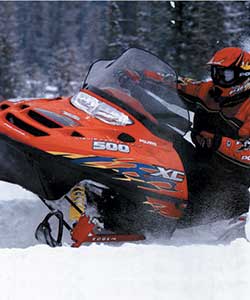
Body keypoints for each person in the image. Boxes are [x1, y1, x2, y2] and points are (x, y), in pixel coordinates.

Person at [176, 47, 250, 226]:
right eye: (215, 73)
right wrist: (140, 75)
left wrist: (217, 142)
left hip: (230, 177)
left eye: (226, 75)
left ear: (243, 76)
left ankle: (176, 229)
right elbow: (177, 83)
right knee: (166, 145)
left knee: (233, 197)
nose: (218, 79)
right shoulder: (208, 90)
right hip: (200, 161)